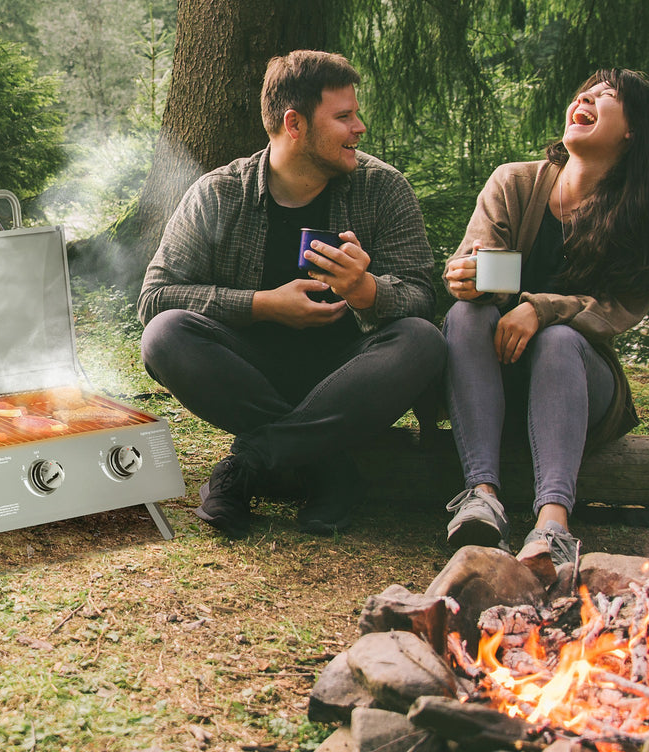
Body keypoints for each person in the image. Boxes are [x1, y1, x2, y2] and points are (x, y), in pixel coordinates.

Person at [137, 49, 446, 538]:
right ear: (294, 123)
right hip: (250, 372)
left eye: (355, 113)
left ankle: (253, 461)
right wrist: (263, 306)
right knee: (164, 333)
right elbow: (155, 298)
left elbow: (421, 296)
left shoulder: (383, 189)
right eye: (344, 117)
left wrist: (367, 292)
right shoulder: (220, 193)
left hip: (348, 375)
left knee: (421, 340)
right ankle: (329, 466)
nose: (359, 127)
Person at [441, 68, 649, 565]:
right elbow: (481, 264)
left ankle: (552, 525)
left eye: (608, 95)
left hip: (578, 387)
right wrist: (469, 278)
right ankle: (482, 497)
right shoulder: (514, 182)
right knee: (464, 315)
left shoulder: (640, 212)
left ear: (632, 131)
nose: (588, 95)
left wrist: (542, 309)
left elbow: (616, 313)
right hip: (495, 372)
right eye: (587, 89)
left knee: (558, 341)